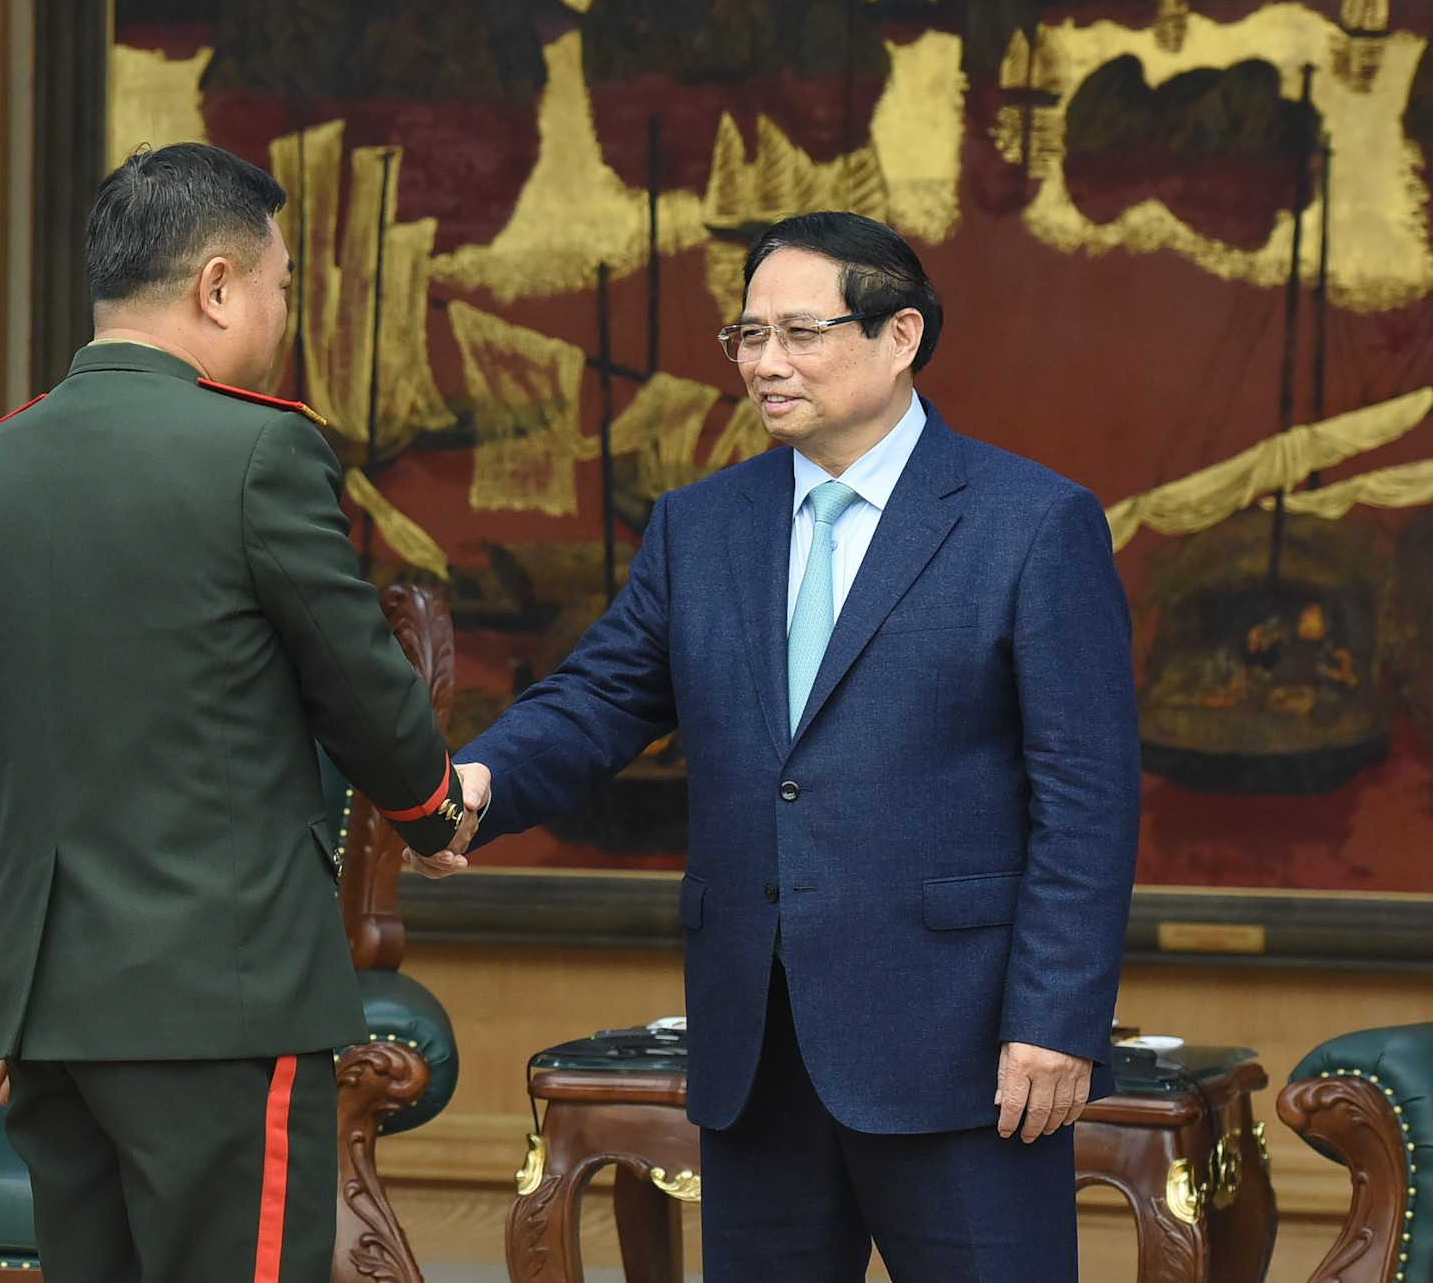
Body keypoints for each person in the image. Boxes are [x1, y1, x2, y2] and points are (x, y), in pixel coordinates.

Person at [443, 212, 1141, 1282]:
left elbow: (1086, 798)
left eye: (800, 332)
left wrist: (1055, 1021)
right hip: (757, 1049)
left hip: (963, 1054)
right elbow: (598, 696)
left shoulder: (1032, 523)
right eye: (746, 334)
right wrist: (476, 784)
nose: (765, 363)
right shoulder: (701, 525)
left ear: (900, 333)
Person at [0, 142, 475, 1283]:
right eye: (278, 286)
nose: (280, 311)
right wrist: (432, 809)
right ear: (216, 286)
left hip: (43, 1004)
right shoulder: (259, 449)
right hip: (221, 998)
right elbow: (361, 680)